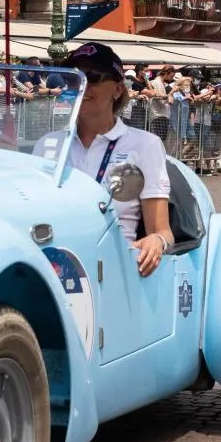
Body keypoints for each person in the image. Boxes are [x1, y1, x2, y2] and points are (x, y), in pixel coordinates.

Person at [60, 42, 171, 277]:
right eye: (73, 77)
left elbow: (162, 232)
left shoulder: (145, 145)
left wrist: (156, 241)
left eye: (92, 77)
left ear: (118, 89)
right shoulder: (49, 144)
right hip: (56, 267)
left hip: (115, 272)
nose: (81, 84)